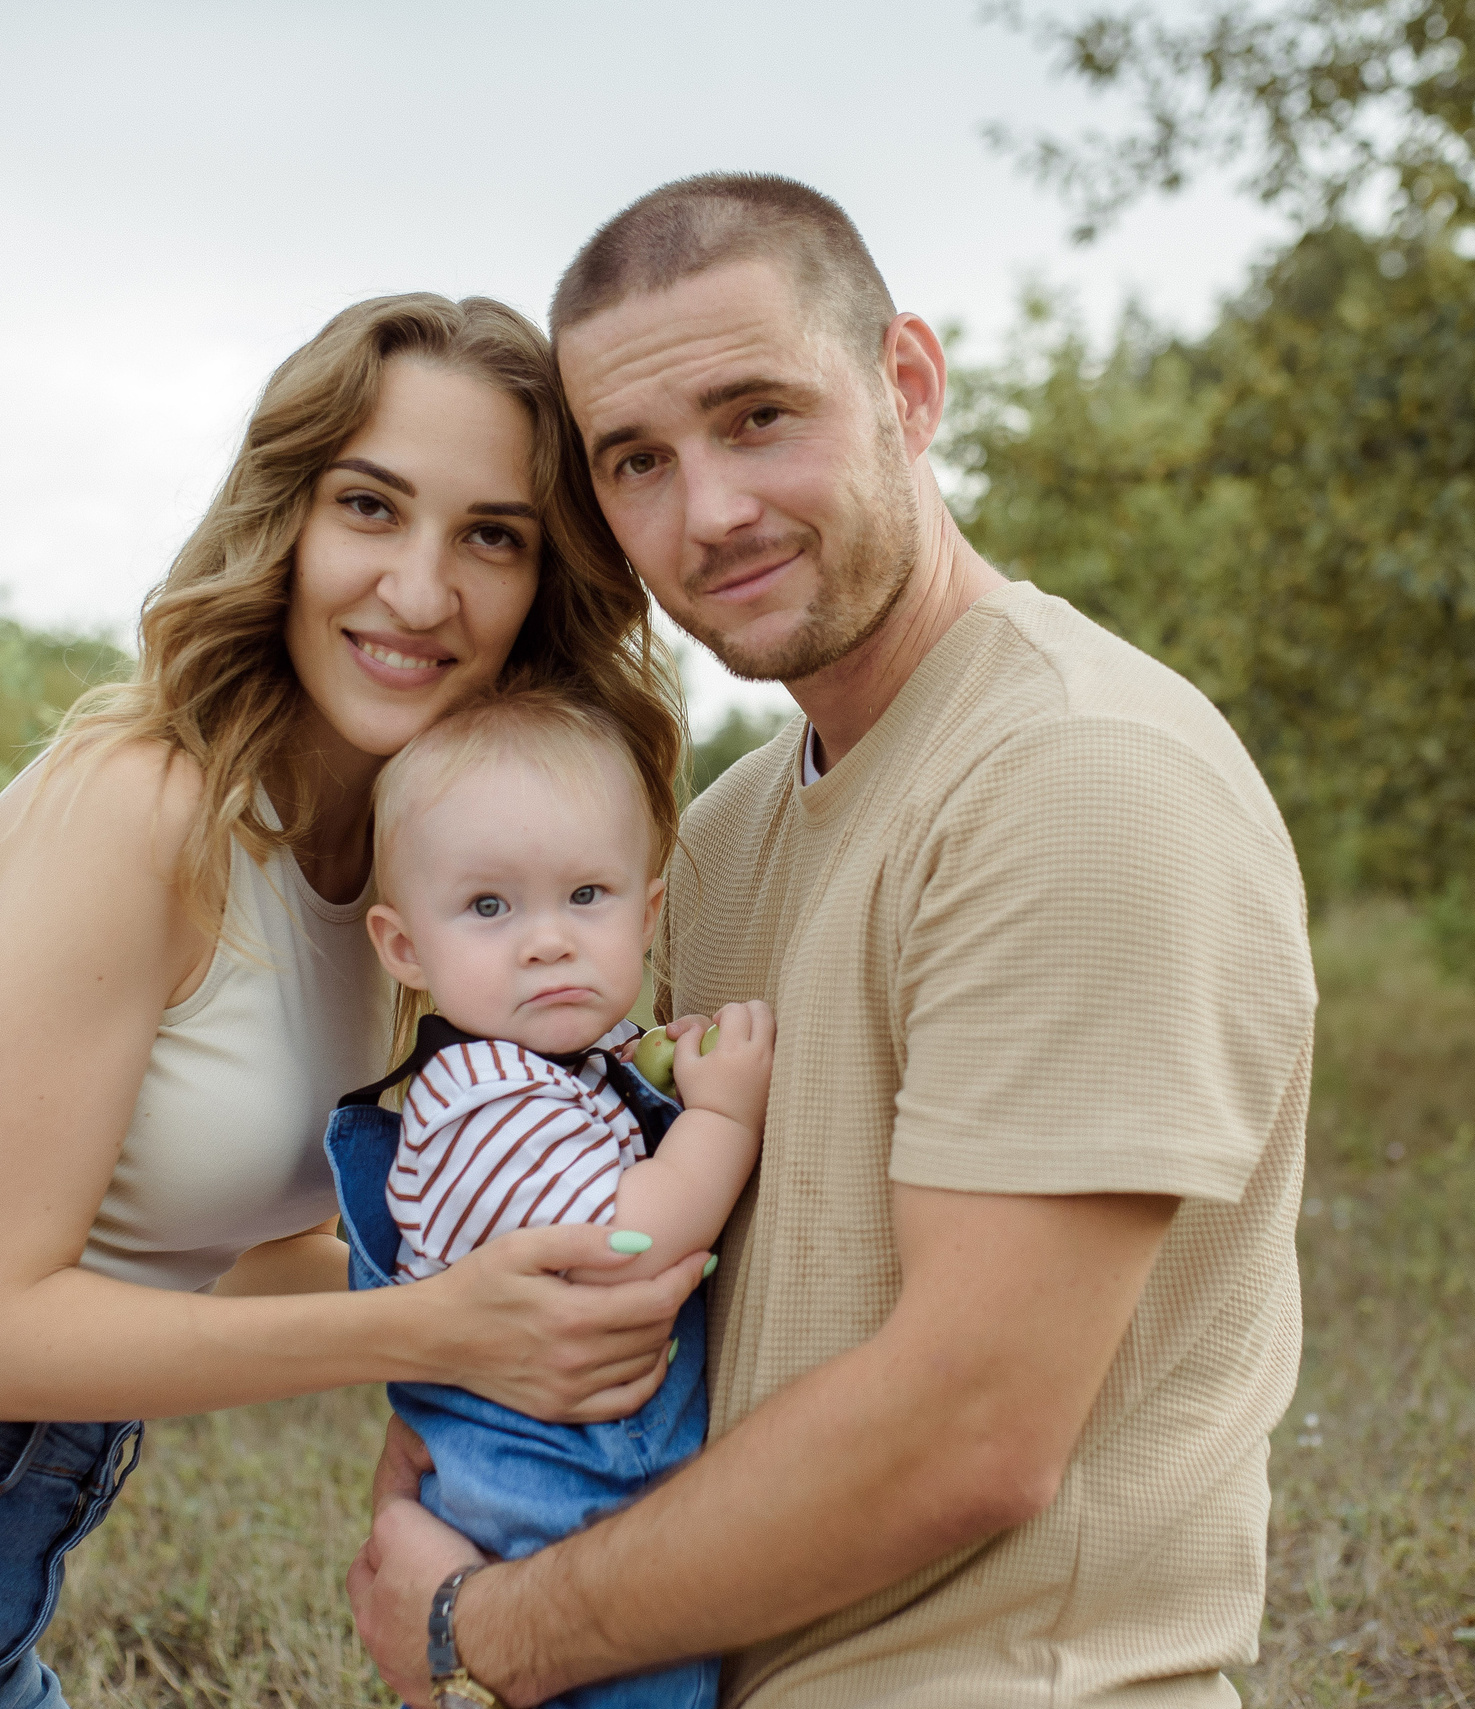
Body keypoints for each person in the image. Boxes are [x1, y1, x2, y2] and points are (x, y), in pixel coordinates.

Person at [0, 292, 709, 1709]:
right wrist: (438, 1325)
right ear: (287, 521)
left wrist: (542, 1268)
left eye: (491, 535)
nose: (418, 588)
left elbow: (211, 1248)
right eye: (369, 507)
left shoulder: (403, 888)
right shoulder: (146, 804)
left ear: (544, 582)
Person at [348, 177, 1317, 1708]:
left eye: (758, 417)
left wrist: (495, 1631)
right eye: (638, 462)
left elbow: (971, 1430)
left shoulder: (1078, 776)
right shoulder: (722, 835)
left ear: (908, 388)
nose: (710, 513)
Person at [324, 689, 774, 1709]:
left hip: (591, 1501)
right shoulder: (482, 1097)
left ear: (647, 910)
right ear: (402, 946)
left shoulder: (569, 1063)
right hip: (555, 1519)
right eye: (488, 906)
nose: (546, 940)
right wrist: (725, 1118)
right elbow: (631, 1238)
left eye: (586, 896)